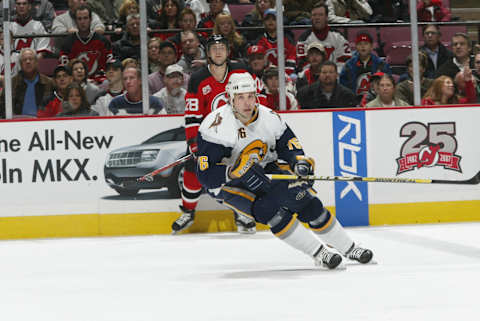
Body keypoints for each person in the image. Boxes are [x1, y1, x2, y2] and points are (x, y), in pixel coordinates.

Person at [196, 72, 373, 269]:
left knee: (307, 202)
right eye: (240, 97)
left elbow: (290, 146)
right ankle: (318, 253)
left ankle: (349, 247)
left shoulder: (270, 118)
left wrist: (299, 163)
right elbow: (205, 176)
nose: (247, 103)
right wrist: (233, 171)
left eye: (250, 96)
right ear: (230, 99)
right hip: (230, 183)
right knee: (270, 211)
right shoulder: (215, 126)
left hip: (265, 168)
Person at [173, 34, 256, 234]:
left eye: (222, 47)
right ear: (208, 53)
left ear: (228, 51)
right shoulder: (198, 78)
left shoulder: (241, 72)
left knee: (239, 171)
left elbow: (255, 103)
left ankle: (241, 212)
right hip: (208, 139)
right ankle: (188, 211)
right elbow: (192, 115)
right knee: (193, 169)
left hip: (237, 136)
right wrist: (194, 146)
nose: (218, 51)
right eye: (214, 48)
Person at [58, 5, 114, 84]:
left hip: (99, 83)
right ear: (75, 21)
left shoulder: (103, 41)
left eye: (85, 18)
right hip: (75, 85)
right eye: (79, 19)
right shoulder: (68, 43)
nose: (82, 22)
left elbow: (110, 67)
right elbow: (65, 70)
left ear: (90, 19)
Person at [296, 3, 351, 72]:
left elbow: (345, 63)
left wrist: (331, 74)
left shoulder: (338, 37)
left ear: (327, 17)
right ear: (311, 17)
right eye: (314, 15)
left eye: (320, 15)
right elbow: (303, 66)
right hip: (312, 79)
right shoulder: (304, 39)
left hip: (335, 78)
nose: (317, 18)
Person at [0, 48, 54, 118]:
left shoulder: (49, 83)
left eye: (31, 59)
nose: (28, 62)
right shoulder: (11, 84)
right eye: (24, 60)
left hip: (43, 124)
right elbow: (2, 108)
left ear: (36, 62)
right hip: (17, 124)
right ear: (20, 64)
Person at [340, 30, 391, 102]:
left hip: (376, 102)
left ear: (371, 46)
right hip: (353, 102)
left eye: (366, 44)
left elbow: (389, 84)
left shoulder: (381, 64)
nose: (363, 46)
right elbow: (343, 86)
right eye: (360, 44)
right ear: (356, 46)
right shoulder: (349, 65)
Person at [255, 9, 296, 76]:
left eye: (274, 19)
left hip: (286, 75)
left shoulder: (288, 39)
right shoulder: (259, 41)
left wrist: (285, 75)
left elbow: (292, 58)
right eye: (267, 19)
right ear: (264, 22)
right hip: (266, 75)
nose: (270, 21)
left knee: (293, 77)